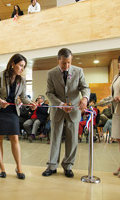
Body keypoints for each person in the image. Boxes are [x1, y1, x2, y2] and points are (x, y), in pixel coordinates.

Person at [0, 53, 36, 180]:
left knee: (15, 138)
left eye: (23, 66)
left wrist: (31, 104)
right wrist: (0, 101)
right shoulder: (0, 75)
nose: (22, 69)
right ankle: (1, 167)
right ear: (13, 64)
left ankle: (19, 167)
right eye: (20, 65)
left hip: (12, 111)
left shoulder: (22, 80)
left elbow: (23, 97)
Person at [42, 48, 90, 178]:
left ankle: (68, 166)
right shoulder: (51, 73)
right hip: (58, 109)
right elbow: (49, 93)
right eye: (64, 63)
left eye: (69, 62)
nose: (67, 66)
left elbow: (85, 88)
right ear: (58, 60)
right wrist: (61, 104)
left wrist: (85, 98)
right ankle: (52, 166)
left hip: (74, 110)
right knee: (55, 139)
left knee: (72, 139)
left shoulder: (78, 71)